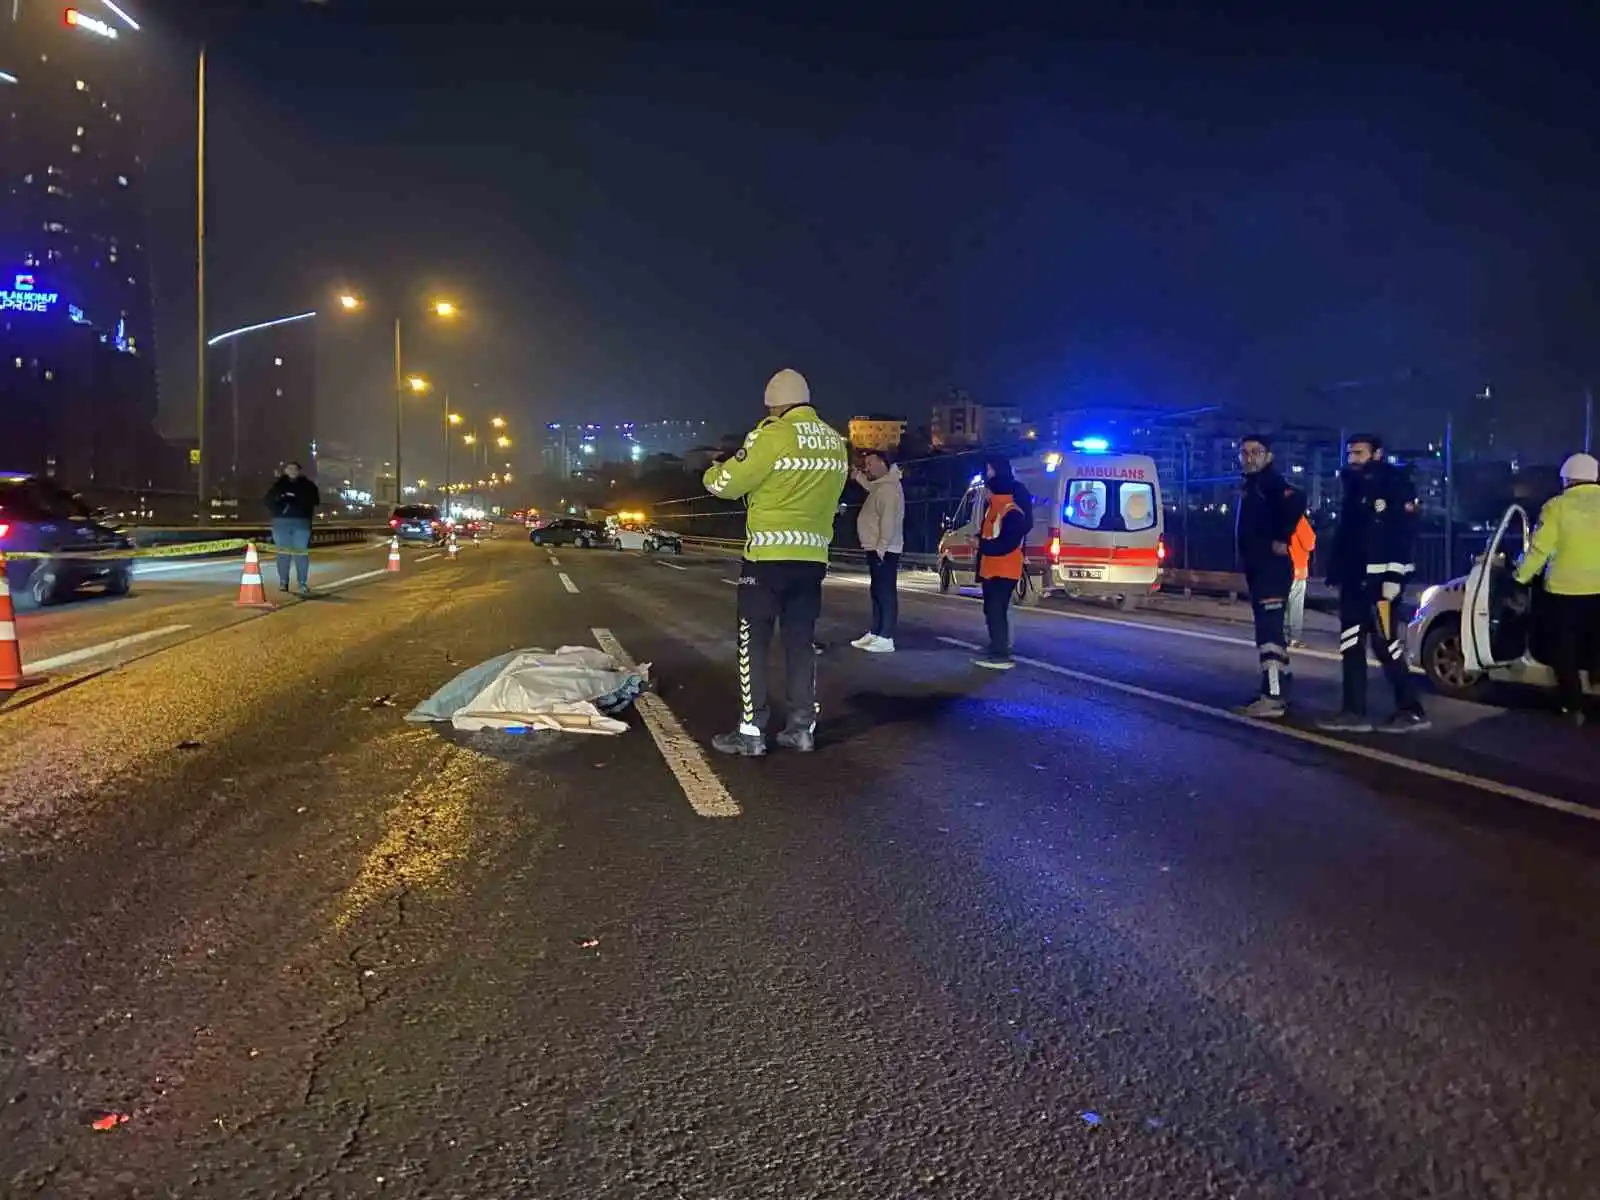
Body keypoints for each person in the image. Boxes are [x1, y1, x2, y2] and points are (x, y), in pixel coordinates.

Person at [704, 368, 850, 756]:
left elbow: (725, 485)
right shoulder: (836, 443)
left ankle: (752, 732)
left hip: (767, 559)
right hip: (812, 559)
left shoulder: (773, 434)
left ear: (776, 404)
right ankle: (801, 728)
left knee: (753, 642)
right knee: (801, 644)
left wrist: (716, 469)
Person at [1317, 433, 1429, 733]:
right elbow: (1348, 536)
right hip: (1354, 583)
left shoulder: (1394, 485)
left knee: (1385, 643)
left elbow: (1402, 536)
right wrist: (1336, 572)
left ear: (1377, 454)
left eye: (1359, 453)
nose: (1352, 459)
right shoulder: (1353, 486)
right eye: (1350, 453)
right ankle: (1353, 712)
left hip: (1381, 587)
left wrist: (1394, 578)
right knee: (1351, 643)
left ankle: (1411, 710)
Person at [1513, 452, 1600, 726]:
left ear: (1567, 479)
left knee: (1565, 651)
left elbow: (1540, 549)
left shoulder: (1556, 507)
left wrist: (1519, 577)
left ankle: (1574, 708)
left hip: (1565, 591)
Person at [1233, 436, 1306, 718]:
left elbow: (1297, 498)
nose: (1250, 457)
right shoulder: (1253, 484)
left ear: (1268, 456)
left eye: (1256, 452)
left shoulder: (1268, 482)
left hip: (1270, 569)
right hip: (1259, 568)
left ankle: (1272, 697)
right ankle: (1277, 687)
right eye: (1245, 452)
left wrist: (1280, 537)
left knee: (1269, 634)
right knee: (1270, 631)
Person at [973, 455, 1032, 670]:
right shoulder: (995, 506)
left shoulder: (1011, 503)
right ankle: (996, 647)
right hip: (992, 563)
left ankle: (1001, 651)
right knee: (992, 608)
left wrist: (986, 544)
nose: (988, 473)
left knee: (998, 608)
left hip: (1004, 563)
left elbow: (1013, 534)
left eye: (990, 469)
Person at [851, 449, 905, 653]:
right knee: (877, 591)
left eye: (871, 463)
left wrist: (882, 546)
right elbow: (872, 488)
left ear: (883, 463)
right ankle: (875, 631)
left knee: (885, 592)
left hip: (885, 549)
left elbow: (889, 519)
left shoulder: (890, 488)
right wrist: (859, 478)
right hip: (876, 547)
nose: (868, 467)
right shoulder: (882, 486)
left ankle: (886, 636)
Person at [264, 461, 320, 595]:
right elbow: (268, 501)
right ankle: (283, 582)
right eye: (289, 468)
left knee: (300, 554)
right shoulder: (277, 485)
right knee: (283, 554)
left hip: (301, 523)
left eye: (295, 469)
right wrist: (281, 503)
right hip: (281, 523)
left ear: (299, 471)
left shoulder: (308, 485)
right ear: (285, 470)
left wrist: (296, 500)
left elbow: (315, 500)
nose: (292, 471)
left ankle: (302, 583)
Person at [1287, 512, 1317, 648]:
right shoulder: (1298, 519)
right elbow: (1309, 543)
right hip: (1297, 568)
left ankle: (1280, 636)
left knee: (1283, 605)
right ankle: (1294, 637)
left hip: (1281, 569)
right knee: (1295, 605)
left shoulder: (1275, 515)